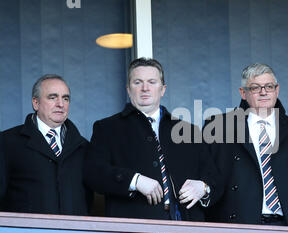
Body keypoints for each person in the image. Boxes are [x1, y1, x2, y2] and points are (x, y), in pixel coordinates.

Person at [83, 58, 221, 221]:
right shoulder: (107, 128)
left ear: (163, 89)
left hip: (187, 229)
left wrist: (203, 188)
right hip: (134, 230)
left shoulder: (188, 131)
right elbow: (93, 174)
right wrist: (135, 180)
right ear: (128, 89)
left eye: (152, 82)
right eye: (137, 82)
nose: (145, 88)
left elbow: (215, 178)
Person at [203, 63, 288, 226]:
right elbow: (208, 176)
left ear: (276, 90)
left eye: (269, 87)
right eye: (255, 88)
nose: (263, 92)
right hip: (239, 227)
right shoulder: (218, 127)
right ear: (243, 93)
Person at [0, 74, 91, 215]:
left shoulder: (83, 147)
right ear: (35, 103)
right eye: (52, 97)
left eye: (65, 98)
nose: (60, 104)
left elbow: (89, 199)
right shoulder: (7, 142)